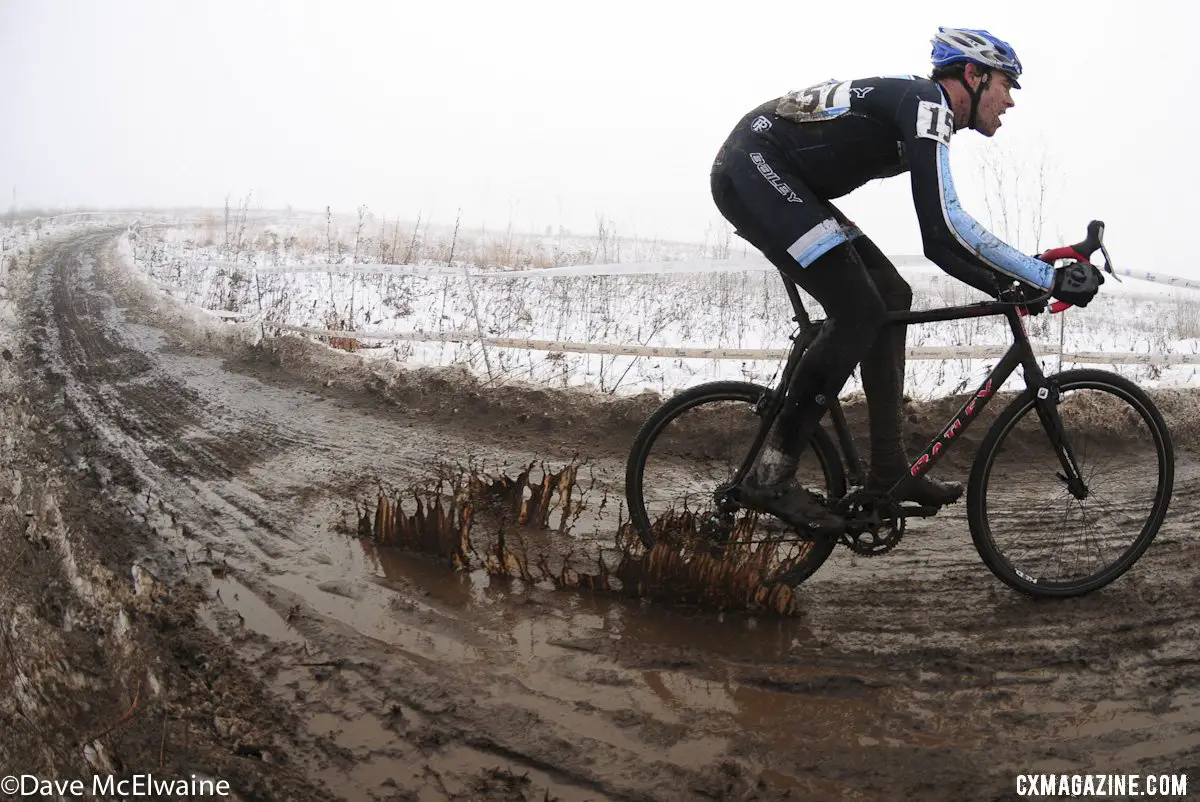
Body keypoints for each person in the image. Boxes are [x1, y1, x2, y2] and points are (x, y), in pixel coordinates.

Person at [709, 27, 1105, 536]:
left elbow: (938, 242)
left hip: (779, 176)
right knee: (859, 311)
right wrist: (1045, 276)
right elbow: (948, 224)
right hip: (753, 165)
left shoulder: (925, 112)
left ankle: (888, 470)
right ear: (973, 75)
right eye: (1007, 85)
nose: (1010, 101)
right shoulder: (928, 103)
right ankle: (771, 474)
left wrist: (1015, 280)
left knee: (891, 296)